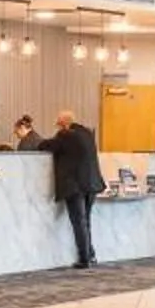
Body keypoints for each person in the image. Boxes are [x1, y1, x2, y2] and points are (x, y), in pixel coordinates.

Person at [43, 110, 104, 268]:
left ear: (64, 123)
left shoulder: (65, 135)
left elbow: (45, 145)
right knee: (86, 221)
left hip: (75, 186)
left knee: (79, 222)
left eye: (58, 124)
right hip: (91, 184)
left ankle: (84, 259)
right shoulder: (88, 133)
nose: (57, 127)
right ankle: (91, 255)